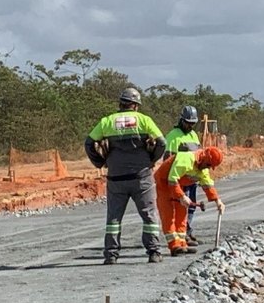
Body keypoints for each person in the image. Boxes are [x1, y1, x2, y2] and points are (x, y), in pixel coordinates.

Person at [84, 87, 167, 265]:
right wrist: (151, 159)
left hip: (116, 178)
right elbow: (162, 142)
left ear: (120, 103)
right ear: (136, 105)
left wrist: (99, 162)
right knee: (149, 215)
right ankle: (153, 252)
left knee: (113, 218)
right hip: (141, 177)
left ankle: (111, 255)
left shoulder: (107, 121)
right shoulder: (144, 120)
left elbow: (89, 142)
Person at [154, 146, 225, 256]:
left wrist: (218, 201)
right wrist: (182, 196)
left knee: (182, 213)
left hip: (179, 185)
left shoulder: (203, 168)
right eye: (209, 165)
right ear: (204, 157)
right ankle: (174, 245)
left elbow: (207, 185)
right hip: (164, 183)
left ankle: (182, 243)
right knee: (168, 214)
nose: (209, 168)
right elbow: (172, 180)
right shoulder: (185, 159)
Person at [164, 105, 203, 246]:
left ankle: (188, 230)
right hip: (180, 179)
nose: (190, 126)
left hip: (192, 178)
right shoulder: (173, 136)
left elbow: (199, 155)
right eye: (188, 123)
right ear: (182, 120)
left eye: (193, 123)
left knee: (191, 205)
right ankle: (182, 234)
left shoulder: (193, 135)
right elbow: (168, 159)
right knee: (182, 206)